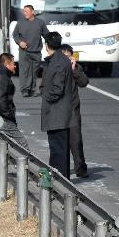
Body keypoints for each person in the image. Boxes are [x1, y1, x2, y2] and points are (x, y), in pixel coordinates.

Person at [40, 31, 75, 178]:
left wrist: (46, 96)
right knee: (58, 148)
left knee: (58, 149)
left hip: (57, 113)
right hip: (58, 112)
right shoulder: (58, 59)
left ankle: (60, 180)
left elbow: (57, 88)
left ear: (46, 45)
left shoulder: (59, 62)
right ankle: (59, 178)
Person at [60, 44, 90, 178]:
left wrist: (74, 69)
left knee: (76, 139)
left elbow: (84, 82)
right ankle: (61, 170)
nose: (67, 59)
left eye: (69, 56)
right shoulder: (54, 68)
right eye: (64, 56)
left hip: (73, 109)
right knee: (60, 141)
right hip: (59, 109)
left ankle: (81, 169)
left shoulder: (76, 68)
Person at [12, 5, 50, 97]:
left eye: (26, 11)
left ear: (33, 12)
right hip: (24, 51)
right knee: (24, 71)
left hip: (36, 52)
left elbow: (47, 35)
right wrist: (20, 42)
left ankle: (32, 90)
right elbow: (15, 35)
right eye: (24, 11)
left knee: (34, 71)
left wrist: (51, 45)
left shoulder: (40, 23)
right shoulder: (20, 23)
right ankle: (25, 90)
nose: (24, 13)